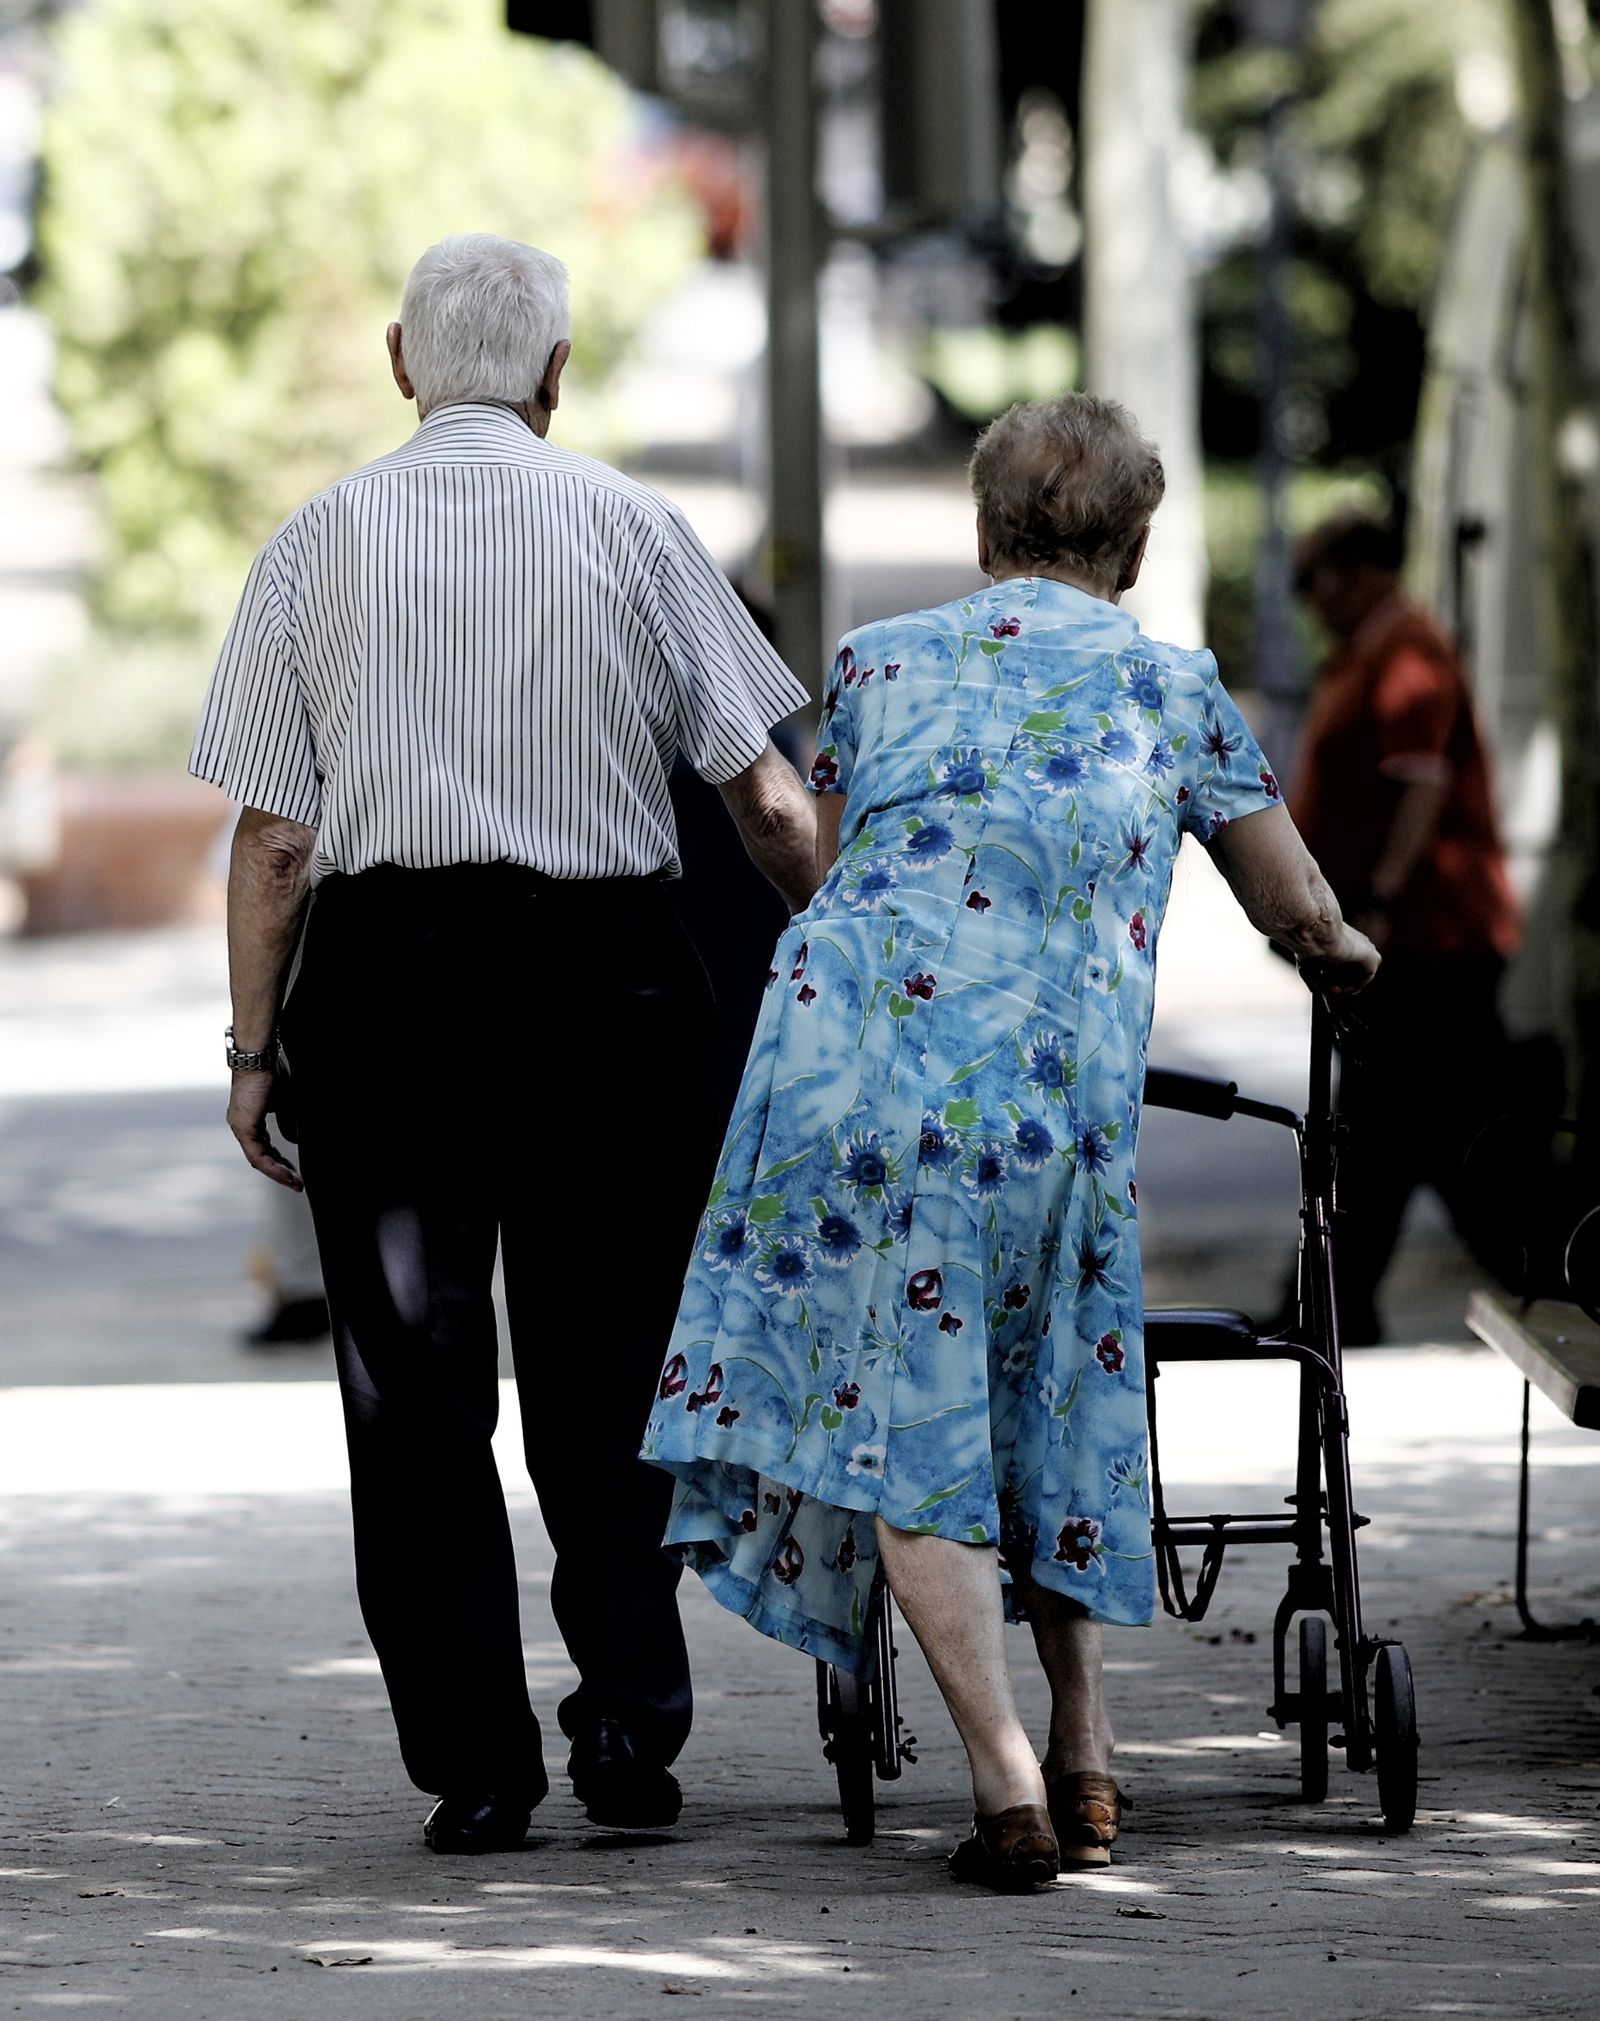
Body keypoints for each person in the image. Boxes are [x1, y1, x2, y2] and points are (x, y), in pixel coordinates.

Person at [642, 393, 1379, 1891]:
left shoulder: (876, 664)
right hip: (1049, 1113)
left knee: (912, 1417)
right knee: (1060, 1397)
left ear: (985, 537)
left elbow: (852, 862)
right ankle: (1070, 1751)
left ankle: (1017, 1776)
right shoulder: (1177, 690)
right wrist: (1345, 953)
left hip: (850, 1090)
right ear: (1140, 543)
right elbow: (1292, 904)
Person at [189, 234, 814, 1855]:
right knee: (609, 1370)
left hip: (393, 993)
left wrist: (255, 1046)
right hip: (610, 984)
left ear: (403, 363)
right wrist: (840, 951)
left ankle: (477, 1761)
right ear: (557, 373)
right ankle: (628, 1718)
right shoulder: (635, 528)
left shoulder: (318, 542)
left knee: (413, 1387)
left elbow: (272, 841)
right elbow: (764, 797)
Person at [1290, 510, 1520, 1343]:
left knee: (1433, 1129)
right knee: (1401, 1125)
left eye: (1309, 579)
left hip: (1430, 938)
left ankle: (1337, 1298)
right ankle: (1333, 1297)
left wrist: (1379, 894)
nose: (1307, 602)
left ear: (1357, 571)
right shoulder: (1374, 652)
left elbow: (1420, 782)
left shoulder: (1407, 654)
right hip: (1405, 941)